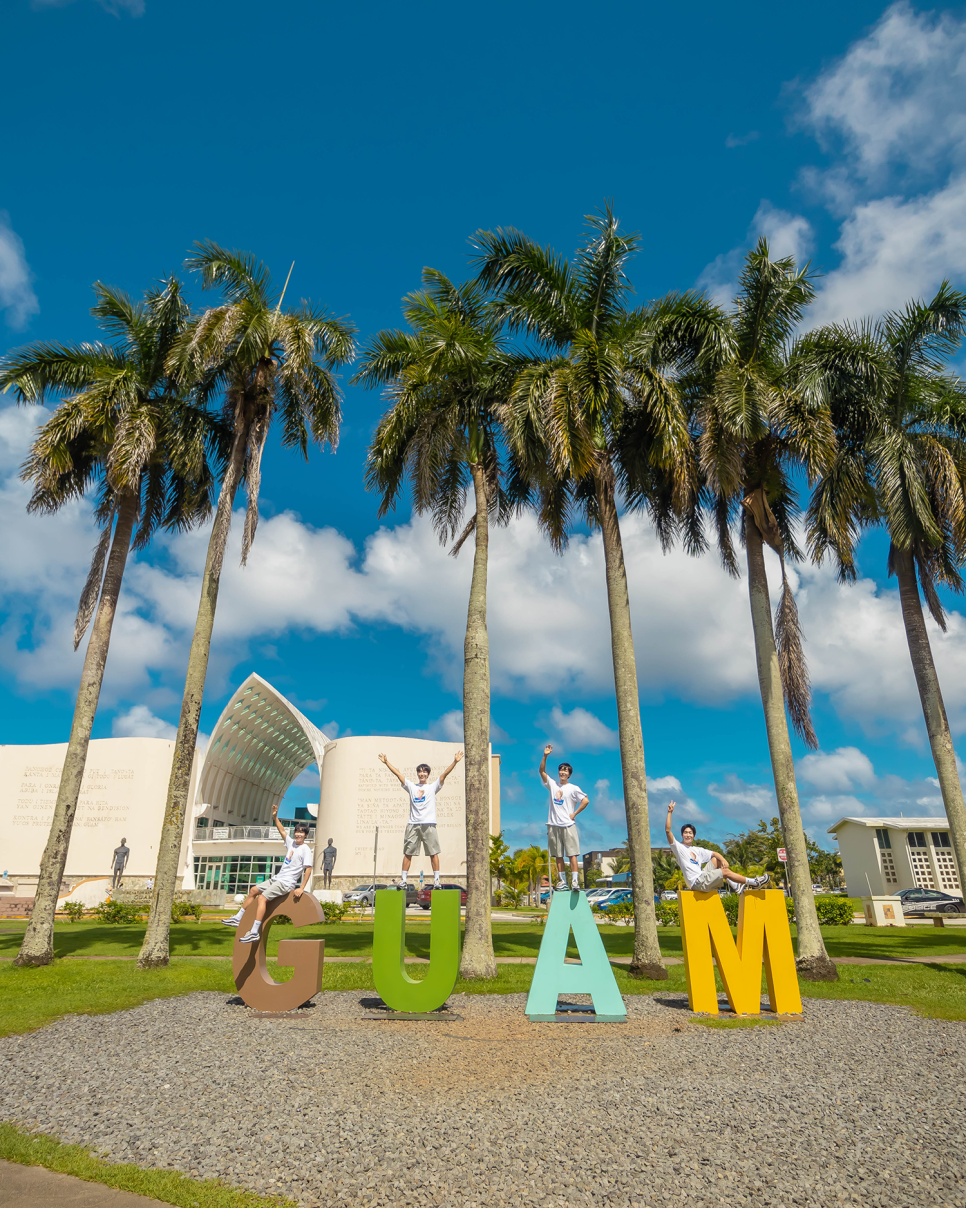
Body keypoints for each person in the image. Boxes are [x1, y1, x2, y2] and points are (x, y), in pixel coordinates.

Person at [222, 804, 314, 943]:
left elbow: (308, 868)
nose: (298, 834)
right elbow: (282, 830)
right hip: (277, 879)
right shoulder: (291, 843)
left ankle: (254, 932)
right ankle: (238, 918)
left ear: (305, 835)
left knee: (262, 899)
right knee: (253, 890)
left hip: (285, 883)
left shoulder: (305, 849)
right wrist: (274, 816)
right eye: (297, 831)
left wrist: (301, 887)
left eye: (301, 832)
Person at [378, 750, 463, 890]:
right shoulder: (411, 786)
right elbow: (398, 774)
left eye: (424, 772)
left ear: (428, 774)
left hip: (429, 824)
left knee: (433, 853)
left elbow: (444, 775)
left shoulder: (432, 787)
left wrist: (455, 761)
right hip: (413, 824)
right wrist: (386, 762)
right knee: (408, 853)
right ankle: (403, 880)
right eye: (420, 772)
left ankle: (437, 881)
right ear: (417, 774)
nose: (422, 774)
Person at [665, 801, 769, 893]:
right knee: (725, 872)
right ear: (682, 835)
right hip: (696, 883)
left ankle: (735, 885)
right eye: (685, 832)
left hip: (702, 876)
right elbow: (668, 831)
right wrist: (670, 813)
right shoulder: (679, 847)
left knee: (717, 860)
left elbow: (714, 853)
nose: (688, 835)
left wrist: (724, 860)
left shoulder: (697, 850)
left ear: (694, 836)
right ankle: (754, 882)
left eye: (690, 833)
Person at [539, 744, 589, 892]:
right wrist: (545, 755)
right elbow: (541, 771)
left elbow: (585, 800)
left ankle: (575, 882)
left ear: (569, 774)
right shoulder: (553, 785)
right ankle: (563, 882)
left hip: (568, 825)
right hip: (553, 825)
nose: (562, 772)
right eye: (561, 770)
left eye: (565, 770)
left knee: (572, 854)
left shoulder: (573, 788)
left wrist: (574, 814)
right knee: (558, 855)